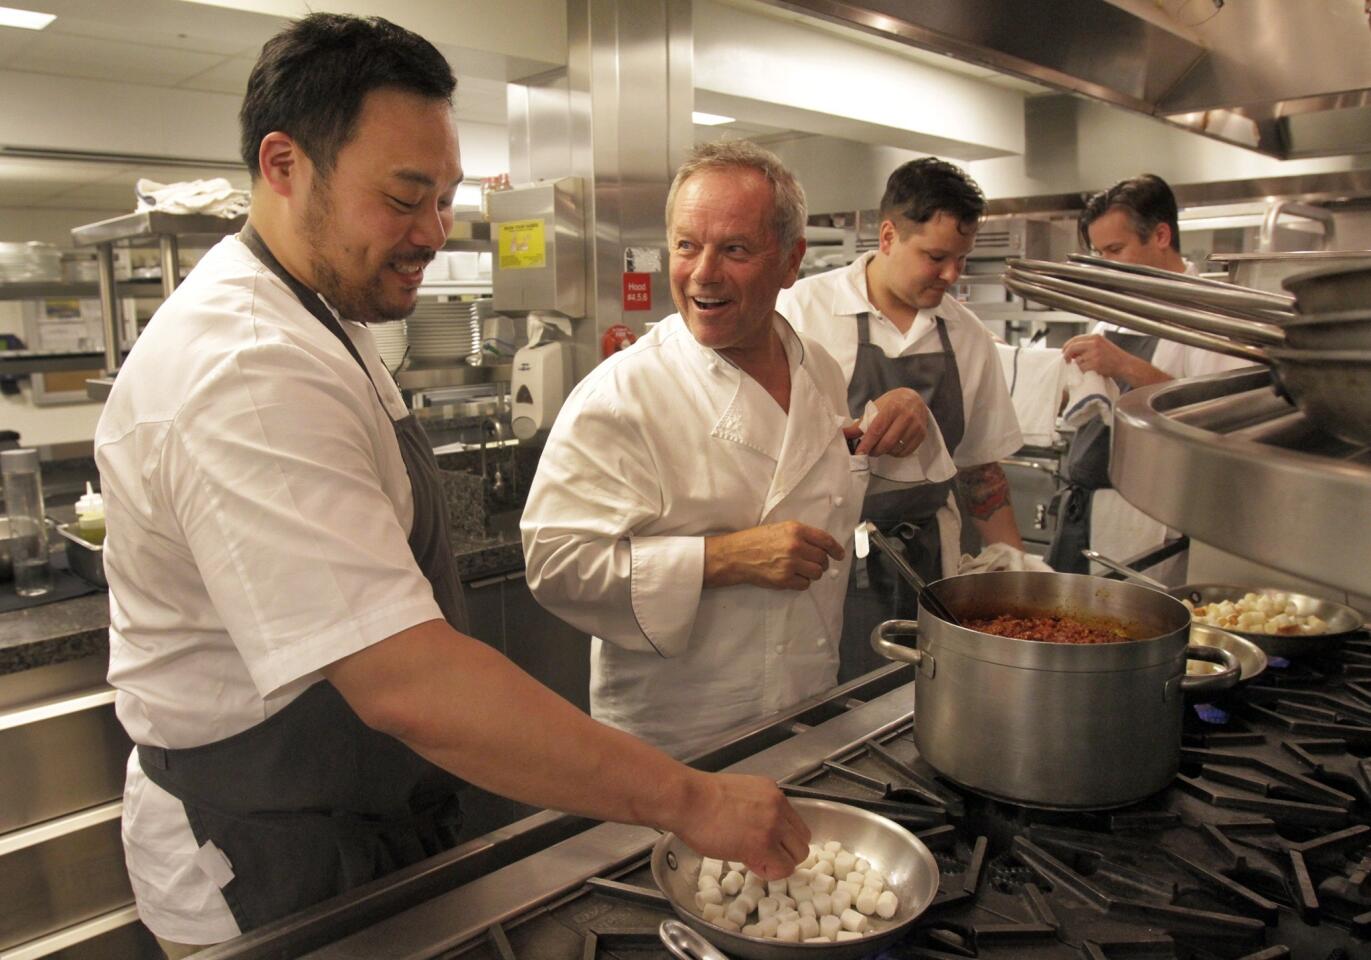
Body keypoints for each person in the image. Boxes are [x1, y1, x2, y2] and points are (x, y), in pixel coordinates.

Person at [95, 17, 806, 955]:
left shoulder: (317, 312)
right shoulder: (245, 369)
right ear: (283, 164)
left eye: (445, 197)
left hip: (356, 811)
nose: (432, 232)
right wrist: (688, 797)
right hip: (268, 846)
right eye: (403, 197)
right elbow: (408, 684)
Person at [521, 140, 868, 759]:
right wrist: (723, 558)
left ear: (791, 262)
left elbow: (811, 478)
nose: (703, 273)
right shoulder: (625, 392)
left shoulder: (817, 368)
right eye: (686, 245)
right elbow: (556, 564)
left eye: (734, 249)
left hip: (809, 704)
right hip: (681, 739)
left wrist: (886, 434)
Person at [778, 158, 1025, 680]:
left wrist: (1020, 576)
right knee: (832, 700)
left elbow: (981, 470)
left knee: (929, 699)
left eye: (962, 258)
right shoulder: (800, 314)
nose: (952, 275)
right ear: (888, 235)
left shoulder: (968, 336)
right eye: (936, 257)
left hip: (933, 561)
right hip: (829, 558)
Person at [1047, 174, 1251, 574]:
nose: (1106, 265)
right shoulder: (1112, 317)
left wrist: (1125, 366)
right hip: (1081, 505)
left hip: (1145, 515)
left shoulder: (1212, 315)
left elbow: (1222, 416)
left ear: (1160, 235)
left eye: (1115, 250)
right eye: (1100, 253)